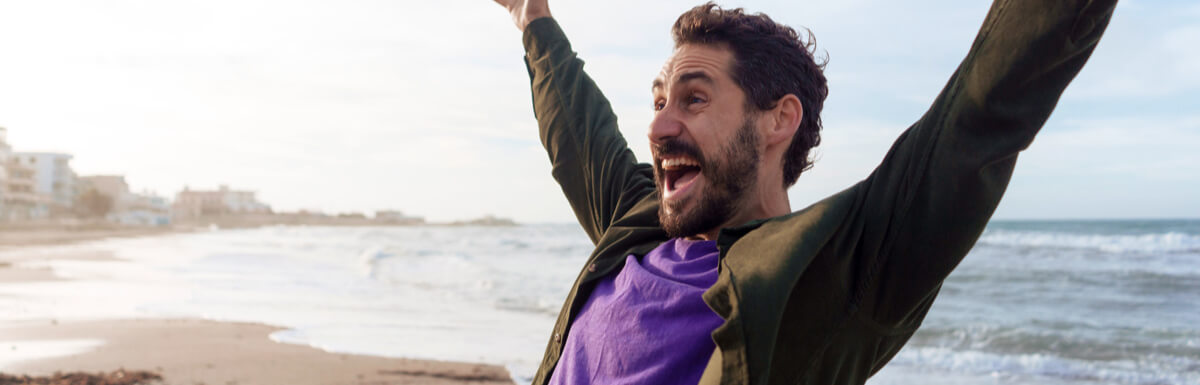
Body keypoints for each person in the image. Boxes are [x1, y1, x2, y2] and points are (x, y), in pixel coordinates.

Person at [489, 0, 1117, 383]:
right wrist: (531, 15)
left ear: (777, 121)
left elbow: (985, 109)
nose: (657, 125)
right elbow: (578, 129)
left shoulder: (831, 271)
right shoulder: (638, 222)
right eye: (658, 102)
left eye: (694, 99)